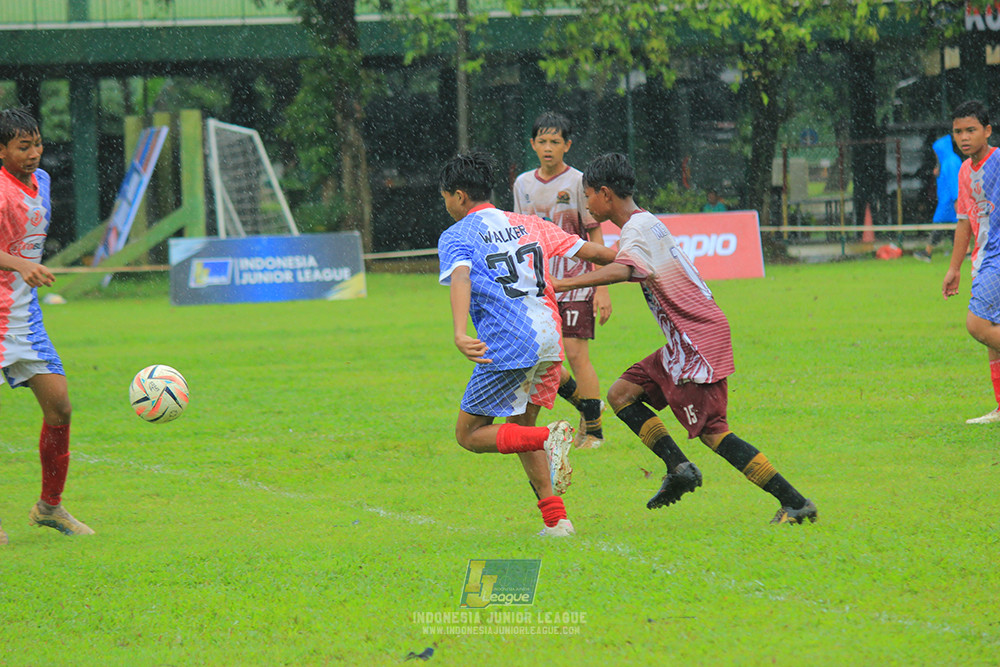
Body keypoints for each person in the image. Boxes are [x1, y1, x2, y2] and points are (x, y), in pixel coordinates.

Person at [554, 153, 817, 524]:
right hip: (687, 338)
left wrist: (563, 283)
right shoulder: (644, 223)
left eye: (588, 195)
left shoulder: (636, 230)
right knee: (622, 394)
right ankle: (678, 468)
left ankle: (795, 502)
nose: (586, 204)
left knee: (714, 434)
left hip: (697, 339)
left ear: (605, 193)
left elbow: (624, 268)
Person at [438, 151, 617, 537]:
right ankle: (557, 521)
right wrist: (644, 258)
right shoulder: (528, 222)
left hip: (508, 343)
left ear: (459, 196)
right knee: (519, 426)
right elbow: (593, 253)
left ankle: (548, 438)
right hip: (550, 340)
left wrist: (458, 331)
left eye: (445, 198)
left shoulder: (457, 235)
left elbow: (460, 278)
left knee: (469, 434)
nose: (446, 205)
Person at [0, 107, 94, 545]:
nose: (34, 153)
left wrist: (26, 269)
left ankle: (49, 507)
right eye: (23, 146)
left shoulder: (45, 182)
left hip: (25, 319)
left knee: (60, 407)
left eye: (37, 144)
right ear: (1, 150)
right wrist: (19, 263)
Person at [513, 111, 611, 450]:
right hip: (539, 286)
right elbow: (520, 236)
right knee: (544, 355)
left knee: (574, 352)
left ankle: (595, 433)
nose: (548, 148)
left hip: (577, 281)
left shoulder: (577, 182)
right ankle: (588, 409)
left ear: (567, 145)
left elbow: (594, 231)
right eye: (542, 141)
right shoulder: (523, 185)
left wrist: (601, 288)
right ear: (532, 145)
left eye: (555, 141)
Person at [942, 100, 1000, 424]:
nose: (963, 137)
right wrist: (954, 268)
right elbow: (964, 221)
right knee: (992, 330)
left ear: (987, 131)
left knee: (977, 325)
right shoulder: (965, 170)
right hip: (984, 256)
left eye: (971, 130)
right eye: (957, 131)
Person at [915, 135, 961, 262]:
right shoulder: (950, 161)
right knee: (954, 228)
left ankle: (927, 251)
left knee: (939, 225)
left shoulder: (949, 162)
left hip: (948, 201)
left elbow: (953, 183)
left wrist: (956, 200)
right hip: (949, 200)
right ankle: (966, 252)